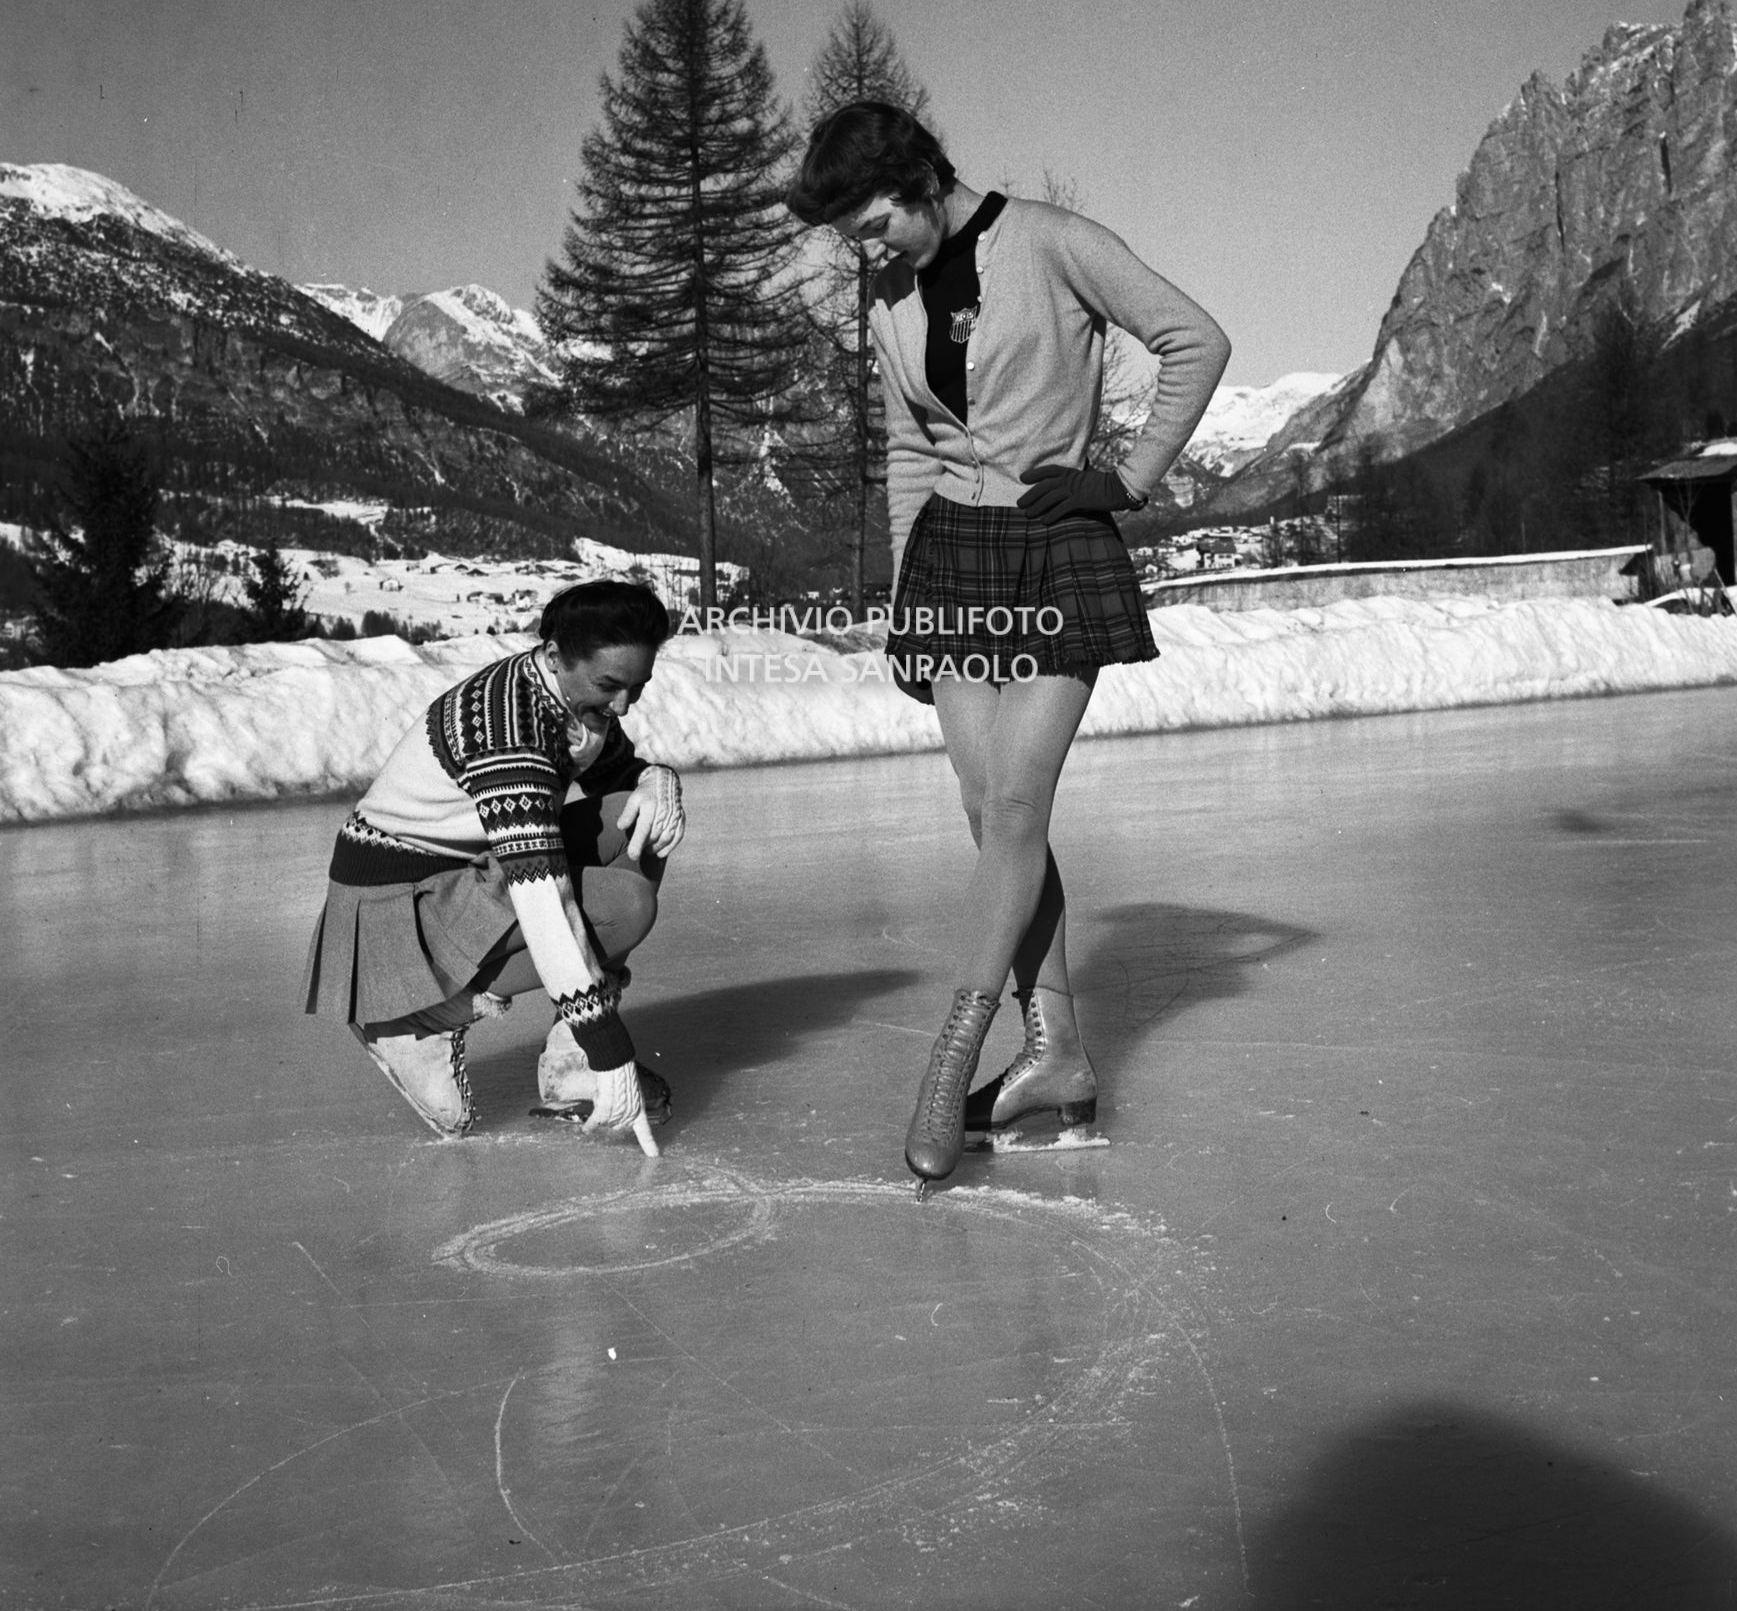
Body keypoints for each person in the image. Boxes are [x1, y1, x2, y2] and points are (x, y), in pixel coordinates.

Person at [787, 102, 1231, 1193]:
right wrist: (904, 600)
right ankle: (1060, 1059)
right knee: (993, 821)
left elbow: (1195, 339)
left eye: (874, 220)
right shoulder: (887, 295)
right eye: (850, 234)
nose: (866, 247)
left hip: (1053, 548)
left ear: (919, 178)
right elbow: (907, 444)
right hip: (951, 563)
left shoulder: (1052, 242)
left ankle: (952, 1059)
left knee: (1019, 810)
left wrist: (1125, 479)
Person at [301, 579, 686, 1147]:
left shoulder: (564, 695)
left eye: (638, 687)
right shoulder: (512, 733)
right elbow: (543, 901)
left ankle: (568, 1058)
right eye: (610, 685)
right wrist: (611, 1051)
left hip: (464, 874)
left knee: (640, 817)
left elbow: (618, 778)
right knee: (625, 907)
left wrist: (657, 779)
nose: (624, 705)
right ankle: (417, 1017)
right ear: (555, 655)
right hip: (396, 910)